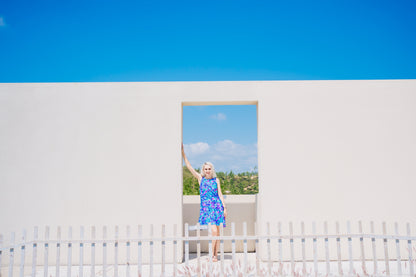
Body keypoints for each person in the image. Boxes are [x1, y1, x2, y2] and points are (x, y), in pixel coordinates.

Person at [182, 144, 227, 262]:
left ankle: (215, 255)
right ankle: (212, 255)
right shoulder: (200, 179)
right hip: (207, 208)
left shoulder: (216, 180)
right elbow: (189, 166)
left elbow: (220, 195)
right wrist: (183, 153)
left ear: (212, 170)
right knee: (214, 231)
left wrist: (224, 208)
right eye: (205, 169)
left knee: (217, 233)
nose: (207, 170)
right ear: (203, 170)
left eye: (209, 169)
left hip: (217, 206)